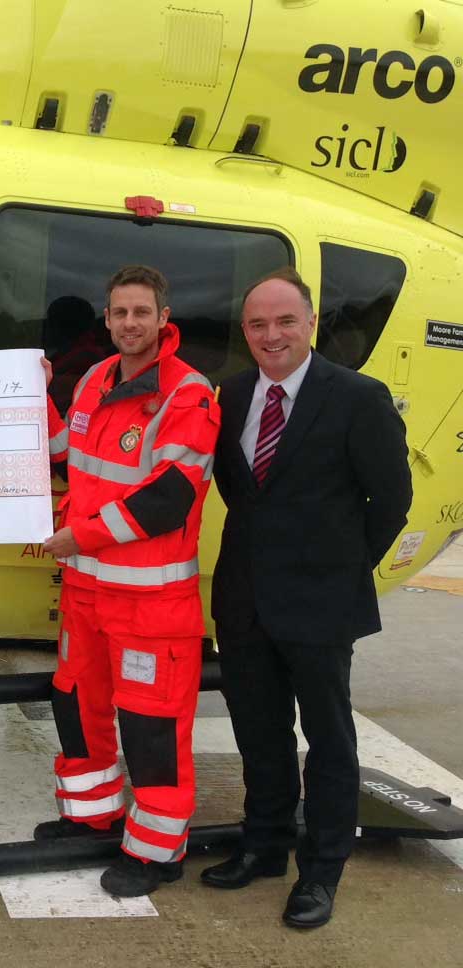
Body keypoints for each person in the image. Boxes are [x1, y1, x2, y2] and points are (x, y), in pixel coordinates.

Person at [203, 268, 411, 927]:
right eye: (258, 324)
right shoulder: (230, 397)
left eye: (285, 321)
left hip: (322, 604)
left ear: (311, 323)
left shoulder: (357, 397)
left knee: (329, 743)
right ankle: (265, 846)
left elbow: (392, 501)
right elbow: (245, 495)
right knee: (260, 735)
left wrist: (343, 570)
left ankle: (320, 873)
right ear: (246, 332)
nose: (272, 335)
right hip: (245, 600)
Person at [38, 265, 221, 898]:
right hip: (86, 596)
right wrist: (33, 395)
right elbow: (67, 452)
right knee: (77, 708)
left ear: (163, 318)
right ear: (107, 318)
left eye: (141, 312)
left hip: (149, 604)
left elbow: (167, 499)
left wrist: (77, 537)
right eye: (119, 313)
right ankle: (93, 817)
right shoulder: (93, 379)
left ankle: (155, 852)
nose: (129, 324)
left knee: (151, 729)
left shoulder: (188, 395)